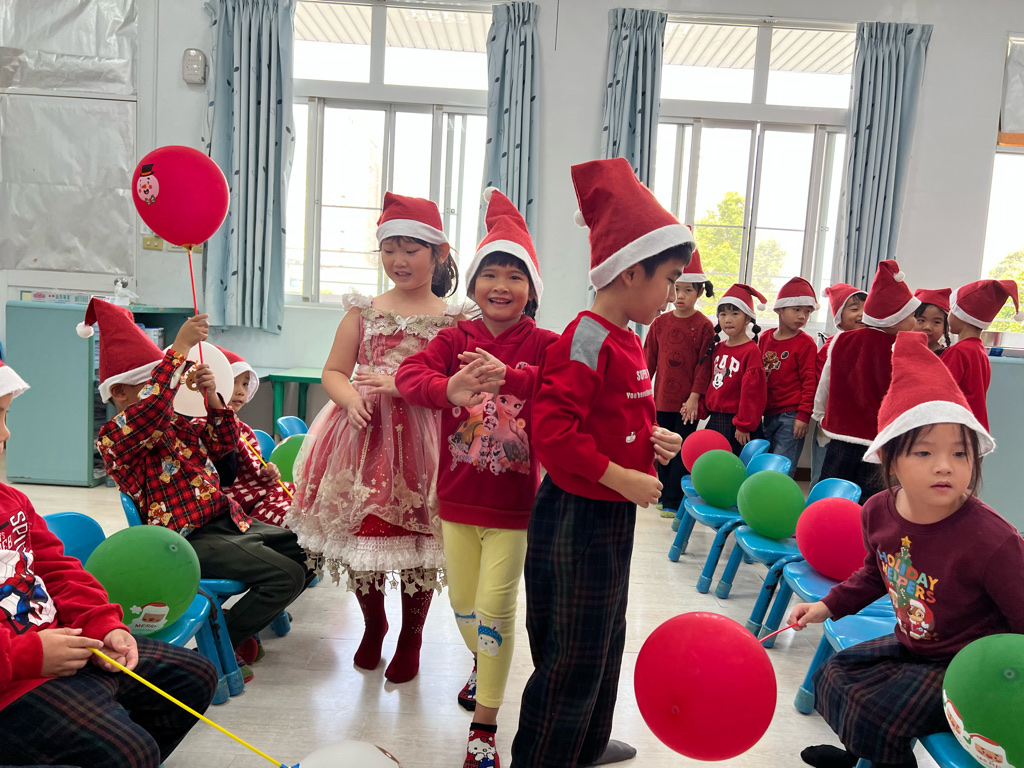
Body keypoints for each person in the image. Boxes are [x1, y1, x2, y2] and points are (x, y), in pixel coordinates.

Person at [511, 158, 688, 768]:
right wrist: (622, 475)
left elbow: (612, 416)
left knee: (605, 639)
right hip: (577, 516)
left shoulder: (627, 337)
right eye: (669, 280)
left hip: (608, 514)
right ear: (631, 271)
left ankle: (584, 742)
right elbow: (554, 433)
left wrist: (651, 442)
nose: (672, 295)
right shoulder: (587, 336)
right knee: (572, 655)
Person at [790, 332, 1024, 768]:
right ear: (890, 459)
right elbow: (876, 572)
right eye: (924, 452)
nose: (945, 466)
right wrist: (827, 606)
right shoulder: (878, 510)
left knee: (882, 714)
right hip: (915, 643)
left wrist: (1001, 688)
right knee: (833, 675)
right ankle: (861, 756)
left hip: (965, 664)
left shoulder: (994, 540)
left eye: (961, 453)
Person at [397, 188, 559, 768]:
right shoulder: (453, 339)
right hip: (457, 503)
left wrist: (513, 378)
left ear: (531, 289)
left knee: (495, 610)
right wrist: (448, 388)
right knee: (465, 606)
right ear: (472, 284)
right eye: (490, 273)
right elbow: (409, 375)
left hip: (515, 508)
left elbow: (569, 389)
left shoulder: (545, 345)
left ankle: (484, 726)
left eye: (515, 276)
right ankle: (483, 660)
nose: (501, 285)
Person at [0, 359, 218, 767]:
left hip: (61, 648)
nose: (6, 433)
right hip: (13, 683)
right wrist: (29, 656)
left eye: (5, 416)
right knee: (130, 751)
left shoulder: (10, 500)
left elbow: (59, 570)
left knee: (194, 677)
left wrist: (103, 624)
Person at [286, 192, 464, 684]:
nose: (398, 260)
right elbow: (334, 370)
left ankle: (412, 636)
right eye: (389, 249)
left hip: (427, 439)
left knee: (419, 542)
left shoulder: (454, 319)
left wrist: (411, 387)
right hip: (363, 438)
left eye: (411, 249)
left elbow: (459, 385)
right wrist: (348, 399)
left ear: (439, 253)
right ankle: (374, 623)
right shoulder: (362, 311)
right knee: (363, 538)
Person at [89, 299, 309, 681]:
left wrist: (213, 400)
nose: (167, 390)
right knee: (285, 576)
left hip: (226, 521)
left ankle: (232, 629)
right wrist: (178, 350)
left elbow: (224, 445)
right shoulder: (115, 438)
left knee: (306, 553)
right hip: (188, 539)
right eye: (152, 384)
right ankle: (223, 640)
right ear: (120, 393)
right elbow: (150, 411)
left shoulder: (178, 424)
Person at [813, 260, 919, 501]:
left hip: (840, 434)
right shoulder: (901, 348)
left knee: (832, 490)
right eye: (911, 315)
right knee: (871, 498)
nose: (915, 322)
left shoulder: (840, 341)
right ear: (894, 317)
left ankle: (823, 522)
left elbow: (825, 382)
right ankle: (864, 526)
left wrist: (819, 414)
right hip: (879, 440)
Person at [642, 242, 715, 516]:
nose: (680, 295)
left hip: (687, 405)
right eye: (677, 288)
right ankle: (662, 494)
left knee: (681, 451)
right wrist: (643, 393)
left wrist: (694, 398)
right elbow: (648, 360)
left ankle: (673, 501)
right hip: (660, 399)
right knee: (661, 448)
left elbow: (704, 367)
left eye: (688, 290)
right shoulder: (659, 323)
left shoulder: (705, 326)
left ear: (699, 292)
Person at [213, 346, 294, 527]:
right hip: (244, 505)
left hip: (266, 492)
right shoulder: (208, 428)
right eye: (233, 382)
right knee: (295, 520)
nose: (241, 391)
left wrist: (268, 469)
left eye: (245, 384)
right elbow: (226, 476)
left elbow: (255, 463)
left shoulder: (244, 429)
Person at [758, 277, 819, 477]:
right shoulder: (765, 338)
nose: (802, 316)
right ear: (779, 309)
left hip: (791, 414)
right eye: (797, 309)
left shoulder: (806, 343)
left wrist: (803, 415)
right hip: (768, 412)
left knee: (782, 465)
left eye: (808, 311)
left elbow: (810, 382)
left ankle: (778, 496)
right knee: (766, 461)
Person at [943, 279, 1023, 431]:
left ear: (961, 316)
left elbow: (939, 390)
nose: (949, 314)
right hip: (975, 426)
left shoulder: (958, 351)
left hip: (957, 427)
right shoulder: (979, 350)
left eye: (951, 309)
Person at [811, 284, 867, 485]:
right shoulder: (833, 345)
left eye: (866, 308)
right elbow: (821, 381)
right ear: (839, 319)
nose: (862, 314)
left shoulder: (874, 344)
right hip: (832, 422)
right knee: (826, 474)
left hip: (862, 426)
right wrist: (820, 413)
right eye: (854, 309)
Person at [703, 283, 768, 455]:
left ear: (747, 318)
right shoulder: (717, 348)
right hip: (716, 419)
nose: (728, 319)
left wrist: (744, 424)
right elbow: (711, 384)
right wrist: (701, 407)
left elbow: (753, 393)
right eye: (723, 314)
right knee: (716, 463)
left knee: (738, 465)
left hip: (738, 422)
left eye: (735, 313)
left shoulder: (751, 351)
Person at [912, 288, 952, 355]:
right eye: (921, 320)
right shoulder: (899, 350)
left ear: (945, 328)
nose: (927, 327)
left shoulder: (948, 355)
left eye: (936, 322)